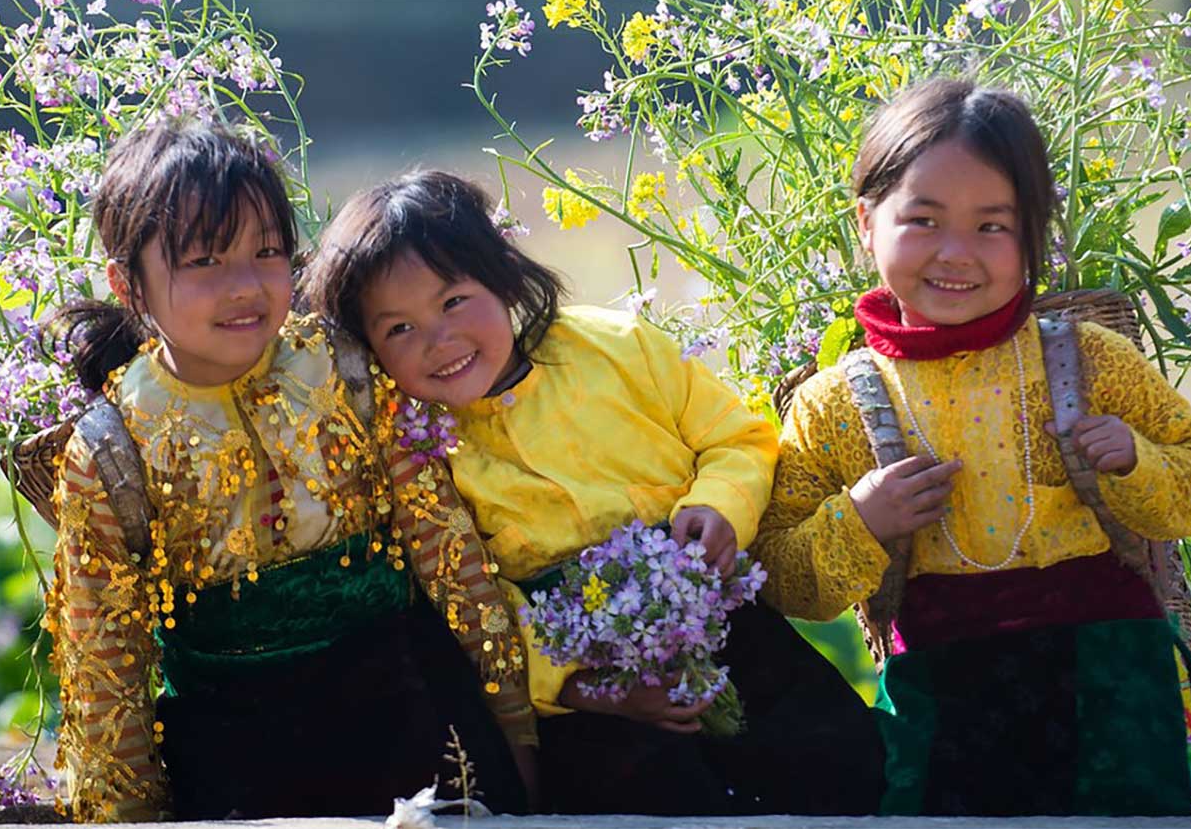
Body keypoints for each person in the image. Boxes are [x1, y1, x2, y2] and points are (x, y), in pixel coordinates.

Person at [748, 78, 1191, 817]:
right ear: (865, 225)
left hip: (1115, 677)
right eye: (922, 219)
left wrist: (1133, 460)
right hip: (943, 687)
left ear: (1035, 234)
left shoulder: (1088, 360)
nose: (957, 253)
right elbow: (784, 576)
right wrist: (859, 522)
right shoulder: (835, 405)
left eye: (993, 226)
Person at [304, 170, 884, 816]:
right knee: (648, 801)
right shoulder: (417, 455)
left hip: (721, 622)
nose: (440, 341)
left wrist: (717, 508)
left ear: (502, 274)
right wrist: (586, 689)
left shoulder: (616, 345)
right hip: (595, 683)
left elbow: (737, 438)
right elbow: (478, 607)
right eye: (399, 331)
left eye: (453, 302)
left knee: (839, 757)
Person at [41, 120, 533, 822]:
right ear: (129, 284)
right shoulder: (113, 448)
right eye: (205, 261)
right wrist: (131, 819)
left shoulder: (345, 368)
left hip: (413, 710)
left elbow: (445, 550)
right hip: (237, 752)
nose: (245, 285)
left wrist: (513, 729)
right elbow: (105, 670)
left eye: (267, 251)